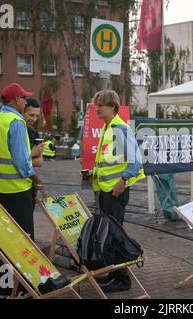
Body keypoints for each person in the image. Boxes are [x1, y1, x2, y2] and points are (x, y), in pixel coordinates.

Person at [0, 83, 47, 299]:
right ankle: (20, 290)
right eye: (24, 98)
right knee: (24, 242)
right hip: (19, 191)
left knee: (5, 241)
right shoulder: (16, 122)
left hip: (0, 190)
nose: (26, 101)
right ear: (16, 100)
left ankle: (4, 289)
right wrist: (36, 177)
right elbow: (22, 162)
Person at [86, 89, 145, 293]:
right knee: (109, 234)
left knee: (115, 235)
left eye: (100, 105)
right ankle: (113, 272)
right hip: (106, 191)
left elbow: (135, 161)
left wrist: (122, 181)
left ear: (112, 106)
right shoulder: (109, 127)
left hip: (115, 192)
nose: (97, 109)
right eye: (96, 105)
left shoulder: (119, 128)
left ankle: (123, 279)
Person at [22, 97, 45, 167]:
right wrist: (32, 154)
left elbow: (39, 162)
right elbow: (15, 161)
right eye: (31, 115)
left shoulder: (34, 133)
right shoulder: (15, 130)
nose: (34, 119)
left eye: (37, 116)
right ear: (22, 112)